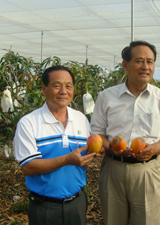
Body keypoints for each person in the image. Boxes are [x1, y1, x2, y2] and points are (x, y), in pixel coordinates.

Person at [91, 40, 160, 225]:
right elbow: (97, 132)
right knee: (113, 220)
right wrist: (110, 148)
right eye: (139, 61)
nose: (145, 67)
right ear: (126, 65)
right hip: (113, 168)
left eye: (150, 62)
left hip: (148, 170)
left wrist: (154, 149)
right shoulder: (106, 97)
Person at [14, 65, 101, 225]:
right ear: (43, 88)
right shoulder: (29, 123)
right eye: (56, 86)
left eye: (68, 86)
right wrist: (67, 159)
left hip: (77, 202)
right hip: (45, 206)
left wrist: (95, 151)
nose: (63, 91)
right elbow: (28, 167)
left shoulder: (81, 119)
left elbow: (84, 152)